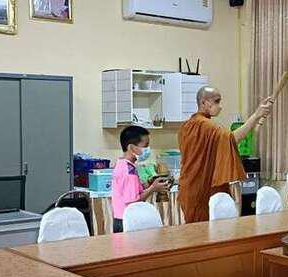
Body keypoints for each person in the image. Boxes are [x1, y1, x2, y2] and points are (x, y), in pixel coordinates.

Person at [178, 87, 273, 223]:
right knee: (206, 231)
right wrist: (256, 115)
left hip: (187, 188)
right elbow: (232, 139)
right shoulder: (208, 126)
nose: (220, 106)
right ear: (204, 103)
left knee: (193, 229)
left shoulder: (186, 126)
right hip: (203, 188)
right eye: (217, 101)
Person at [111, 125, 170, 233]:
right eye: (145, 146)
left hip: (121, 219)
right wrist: (153, 188)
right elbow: (134, 201)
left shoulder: (123, 164)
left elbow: (131, 191)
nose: (148, 149)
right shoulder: (129, 170)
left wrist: (148, 185)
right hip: (127, 222)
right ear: (131, 148)